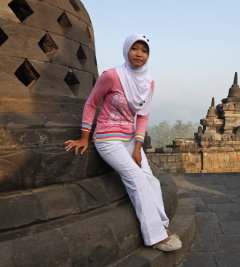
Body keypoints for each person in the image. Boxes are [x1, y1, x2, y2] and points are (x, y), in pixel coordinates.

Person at [65, 34, 182, 252]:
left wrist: (137, 148)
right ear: (127, 50)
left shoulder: (148, 82)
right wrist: (84, 136)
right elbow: (91, 104)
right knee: (137, 179)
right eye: (135, 49)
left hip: (130, 139)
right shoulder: (112, 76)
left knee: (151, 180)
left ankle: (162, 225)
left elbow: (143, 116)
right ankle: (155, 236)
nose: (139, 54)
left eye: (144, 50)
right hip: (107, 139)